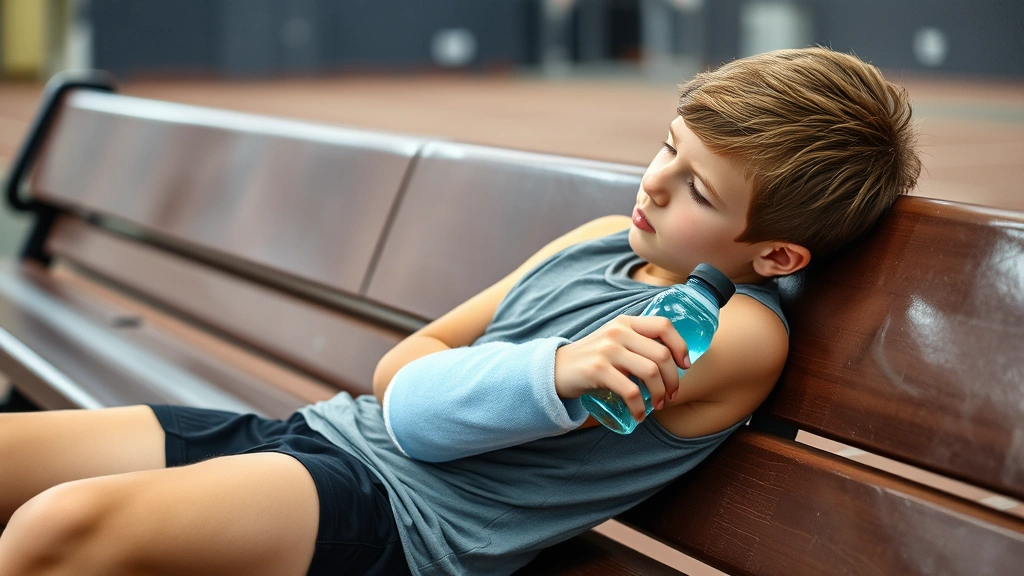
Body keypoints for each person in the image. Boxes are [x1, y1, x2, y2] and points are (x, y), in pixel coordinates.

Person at [0, 47, 920, 576]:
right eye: (665, 150)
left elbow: (432, 426)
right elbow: (406, 368)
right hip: (327, 436)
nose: (655, 184)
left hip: (399, 519)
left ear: (778, 255)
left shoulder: (736, 332)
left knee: (55, 529)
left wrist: (522, 376)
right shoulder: (603, 238)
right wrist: (536, 371)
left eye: (697, 191)